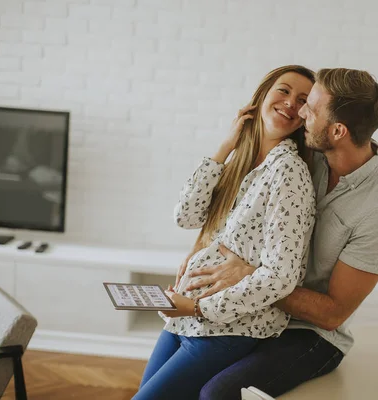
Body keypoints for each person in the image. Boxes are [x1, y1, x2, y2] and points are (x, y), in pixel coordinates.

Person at [188, 68, 378, 399]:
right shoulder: (304, 155)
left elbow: (332, 314)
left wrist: (250, 276)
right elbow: (230, 210)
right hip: (259, 307)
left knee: (217, 393)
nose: (301, 111)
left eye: (311, 107)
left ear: (337, 130)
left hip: (311, 335)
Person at [132, 65, 317, 400]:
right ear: (261, 96)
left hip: (228, 326)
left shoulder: (288, 173)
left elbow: (280, 277)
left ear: (306, 117)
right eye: (284, 90)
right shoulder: (240, 164)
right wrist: (226, 146)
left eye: (302, 100)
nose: (291, 102)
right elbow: (185, 216)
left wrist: (197, 308)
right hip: (185, 317)